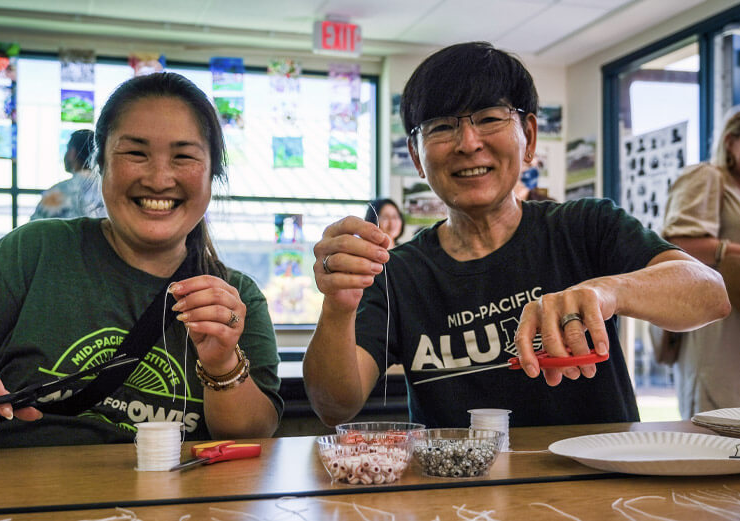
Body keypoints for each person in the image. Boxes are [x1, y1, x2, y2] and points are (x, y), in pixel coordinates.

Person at [303, 42, 729, 429]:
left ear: (530, 137)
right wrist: (337, 307)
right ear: (416, 155)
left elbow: (711, 294)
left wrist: (608, 292)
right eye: (441, 127)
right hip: (457, 487)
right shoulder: (397, 272)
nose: (468, 143)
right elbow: (335, 406)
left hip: (601, 480)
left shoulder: (585, 225)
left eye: (489, 118)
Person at [0, 72, 282, 449]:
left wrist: (222, 364)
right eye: (136, 153)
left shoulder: (234, 299)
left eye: (183, 156)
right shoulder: (34, 251)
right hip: (7, 485)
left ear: (213, 173)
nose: (159, 178)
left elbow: (254, 438)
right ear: (100, 161)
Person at [662, 107, 740, 419]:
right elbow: (676, 243)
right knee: (717, 423)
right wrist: (732, 250)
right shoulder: (708, 176)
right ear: (730, 142)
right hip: (716, 324)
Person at [30, 129, 107, 220]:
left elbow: (34, 225)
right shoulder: (106, 191)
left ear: (72, 152)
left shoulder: (58, 192)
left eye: (67, 149)